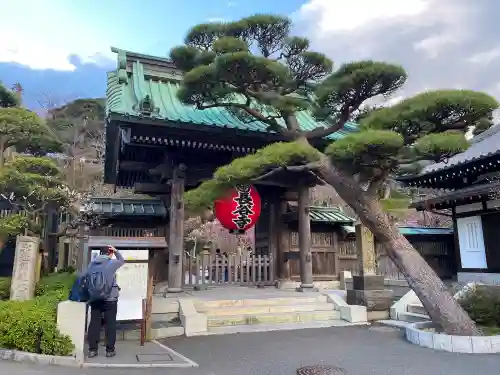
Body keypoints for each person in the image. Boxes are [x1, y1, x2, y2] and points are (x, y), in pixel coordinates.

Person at [85, 245, 124, 358]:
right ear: (110, 253)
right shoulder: (111, 264)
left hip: (95, 297)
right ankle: (110, 350)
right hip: (110, 298)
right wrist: (116, 250)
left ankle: (92, 350)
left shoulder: (91, 264)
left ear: (100, 253)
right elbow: (122, 260)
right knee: (110, 323)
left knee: (94, 322)